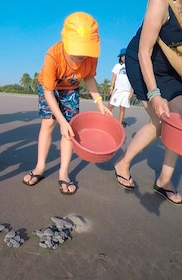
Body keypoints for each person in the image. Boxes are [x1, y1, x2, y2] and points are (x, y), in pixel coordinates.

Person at [21, 12, 110, 195]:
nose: (81, 56)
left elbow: (89, 78)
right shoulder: (53, 55)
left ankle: (63, 172)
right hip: (49, 87)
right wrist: (60, 120)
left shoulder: (90, 56)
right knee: (49, 122)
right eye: (77, 50)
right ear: (66, 41)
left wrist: (99, 102)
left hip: (71, 89)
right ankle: (40, 167)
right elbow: (48, 91)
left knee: (70, 129)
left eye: (85, 51)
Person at [114, 0, 182, 205]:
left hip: (171, 69)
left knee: (178, 122)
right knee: (160, 122)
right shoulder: (161, 3)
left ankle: (164, 180)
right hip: (144, 63)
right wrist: (154, 94)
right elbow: (145, 51)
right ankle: (122, 164)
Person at [107, 48, 133, 127]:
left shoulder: (131, 67)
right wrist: (111, 88)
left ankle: (119, 123)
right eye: (122, 56)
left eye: (125, 56)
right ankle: (105, 119)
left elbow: (133, 80)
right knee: (110, 106)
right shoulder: (117, 66)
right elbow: (113, 77)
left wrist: (132, 91)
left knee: (122, 108)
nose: (124, 57)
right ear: (120, 57)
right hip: (118, 90)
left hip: (127, 91)